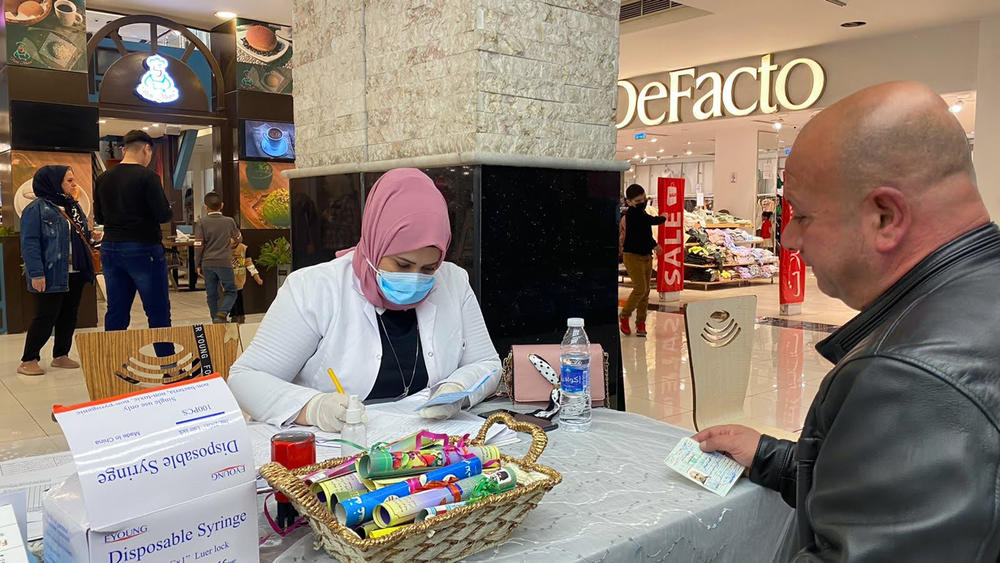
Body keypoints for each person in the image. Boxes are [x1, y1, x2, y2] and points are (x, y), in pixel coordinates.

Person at [694, 81, 1000, 560]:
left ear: (884, 217)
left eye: (804, 216)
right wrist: (774, 459)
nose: (789, 239)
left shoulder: (908, 376)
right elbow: (911, 496)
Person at [229, 168, 501, 430]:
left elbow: (486, 364)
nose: (415, 279)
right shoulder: (315, 289)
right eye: (402, 265)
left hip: (426, 445)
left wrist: (457, 390)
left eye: (429, 268)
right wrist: (312, 408)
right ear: (375, 242)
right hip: (336, 449)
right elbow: (246, 379)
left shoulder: (453, 282)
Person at [17, 166, 97, 376]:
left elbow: (80, 234)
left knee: (69, 315)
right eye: (69, 180)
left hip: (75, 270)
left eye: (73, 180)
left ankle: (60, 355)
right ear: (53, 183)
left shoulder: (72, 206)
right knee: (46, 315)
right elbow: (29, 243)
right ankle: (29, 359)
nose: (74, 184)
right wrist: (36, 273)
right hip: (51, 271)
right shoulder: (36, 209)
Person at [94, 129, 173, 331]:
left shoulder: (103, 178)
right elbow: (163, 215)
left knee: (116, 311)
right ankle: (166, 361)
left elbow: (100, 217)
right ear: (146, 149)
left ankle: (113, 360)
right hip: (143, 248)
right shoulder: (148, 177)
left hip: (110, 248)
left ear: (124, 150)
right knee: (157, 311)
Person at [619, 184, 667, 337]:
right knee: (640, 289)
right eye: (638, 200)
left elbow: (647, 231)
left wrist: (653, 246)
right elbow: (650, 224)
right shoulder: (633, 215)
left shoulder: (641, 213)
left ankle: (641, 322)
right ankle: (624, 316)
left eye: (644, 199)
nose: (642, 202)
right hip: (632, 256)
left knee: (645, 292)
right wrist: (664, 217)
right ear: (629, 202)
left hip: (646, 256)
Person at [194, 192, 241, 323]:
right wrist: (234, 241)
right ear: (222, 205)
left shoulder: (201, 223)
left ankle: (215, 318)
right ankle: (223, 312)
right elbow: (238, 238)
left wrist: (197, 264)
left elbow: (198, 245)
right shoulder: (229, 221)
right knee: (231, 290)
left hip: (207, 263)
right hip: (224, 261)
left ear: (205, 207)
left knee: (212, 294)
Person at [228, 236, 263, 324]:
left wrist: (256, 276)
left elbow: (249, 264)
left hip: (239, 279)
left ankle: (239, 315)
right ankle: (233, 315)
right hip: (227, 278)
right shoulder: (223, 248)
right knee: (230, 297)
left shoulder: (244, 248)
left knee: (238, 297)